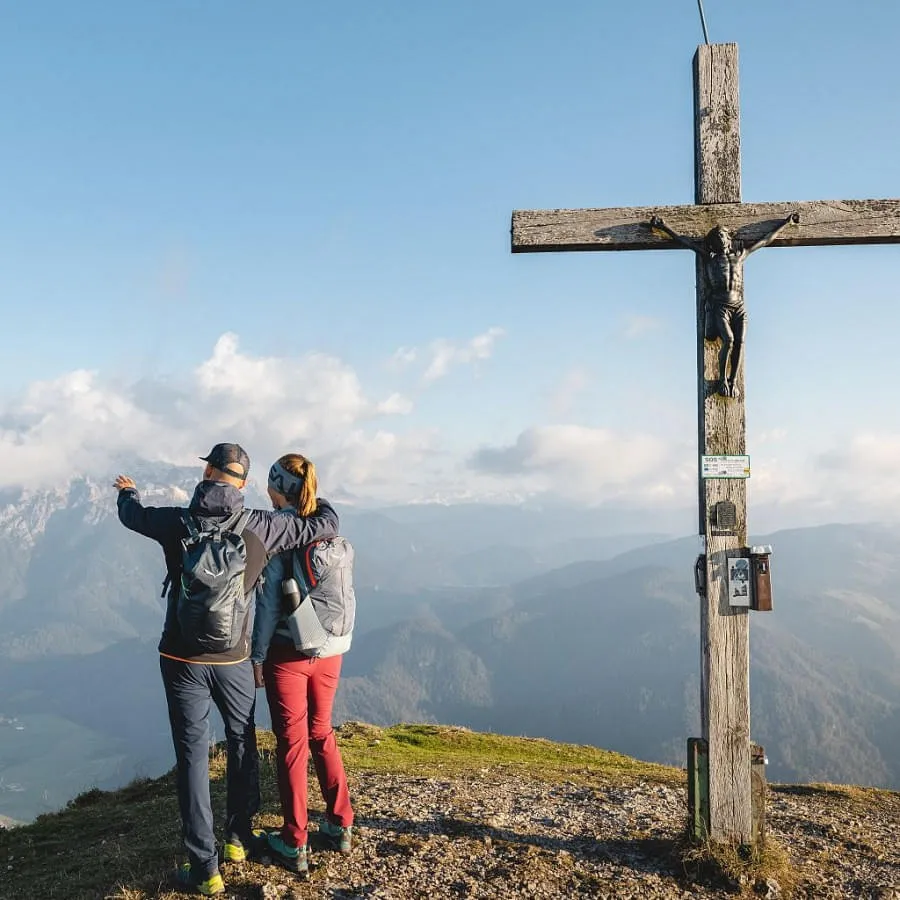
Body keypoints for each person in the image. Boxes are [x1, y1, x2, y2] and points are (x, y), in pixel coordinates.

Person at [114, 443, 340, 897]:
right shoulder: (262, 526)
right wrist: (314, 494)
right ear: (241, 481)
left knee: (194, 757)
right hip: (235, 659)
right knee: (241, 739)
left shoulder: (175, 521)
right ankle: (239, 838)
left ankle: (205, 866)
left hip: (181, 659)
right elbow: (326, 523)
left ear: (210, 472)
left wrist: (128, 492)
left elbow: (131, 516)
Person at [250, 453, 355, 876]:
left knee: (292, 745)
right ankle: (340, 824)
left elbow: (268, 605)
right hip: (332, 649)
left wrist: (257, 658)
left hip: (289, 654)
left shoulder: (282, 538)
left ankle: (295, 842)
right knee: (322, 733)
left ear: (277, 489)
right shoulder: (325, 521)